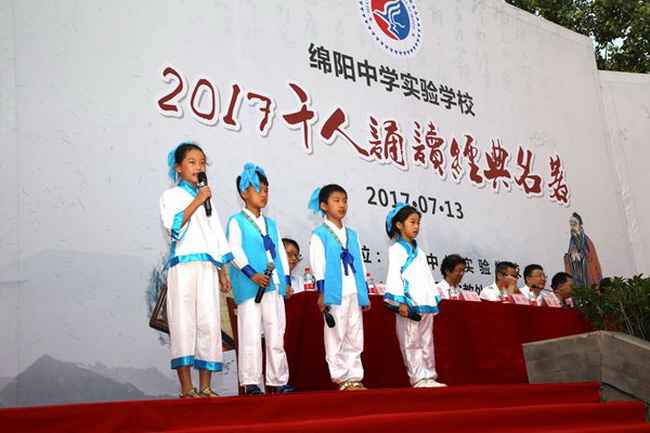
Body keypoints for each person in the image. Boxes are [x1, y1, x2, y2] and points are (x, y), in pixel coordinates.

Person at [159, 142, 232, 398]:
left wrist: (221, 272)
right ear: (178, 168)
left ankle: (206, 386)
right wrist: (198, 201)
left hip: (208, 266)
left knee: (209, 323)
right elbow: (173, 226)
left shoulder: (207, 198)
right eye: (192, 162)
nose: (198, 167)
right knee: (183, 321)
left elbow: (216, 236)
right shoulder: (170, 196)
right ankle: (187, 388)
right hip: (184, 265)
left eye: (202, 162)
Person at [226, 163, 294, 395]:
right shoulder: (236, 221)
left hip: (273, 286)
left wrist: (286, 281)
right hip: (250, 286)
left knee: (276, 333)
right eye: (258, 189)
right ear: (244, 193)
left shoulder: (271, 224)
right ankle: (251, 383)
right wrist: (251, 274)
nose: (263, 194)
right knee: (251, 333)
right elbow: (234, 250)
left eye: (266, 190)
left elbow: (280, 254)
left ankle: (279, 380)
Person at [308, 184, 370, 391]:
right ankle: (341, 378)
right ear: (324, 205)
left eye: (344, 201)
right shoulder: (320, 234)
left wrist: (364, 293)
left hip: (353, 290)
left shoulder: (352, 234)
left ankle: (355, 377)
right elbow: (318, 265)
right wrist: (322, 292)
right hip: (335, 292)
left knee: (355, 334)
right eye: (336, 201)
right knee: (336, 335)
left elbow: (360, 264)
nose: (342, 205)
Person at [384, 203, 446, 388]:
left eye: (418, 222)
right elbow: (394, 275)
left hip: (424, 302)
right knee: (410, 341)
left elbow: (427, 277)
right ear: (399, 225)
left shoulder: (421, 253)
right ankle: (418, 378)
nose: (416, 226)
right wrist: (400, 302)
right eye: (412, 222)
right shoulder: (396, 250)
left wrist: (433, 297)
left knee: (427, 340)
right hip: (409, 303)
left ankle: (429, 376)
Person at [564, 212, 602, 287]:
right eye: (571, 224)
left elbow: (592, 258)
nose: (573, 226)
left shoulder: (586, 241)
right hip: (578, 273)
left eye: (575, 223)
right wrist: (570, 257)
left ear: (580, 225)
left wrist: (581, 257)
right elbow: (569, 256)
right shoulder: (572, 240)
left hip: (588, 273)